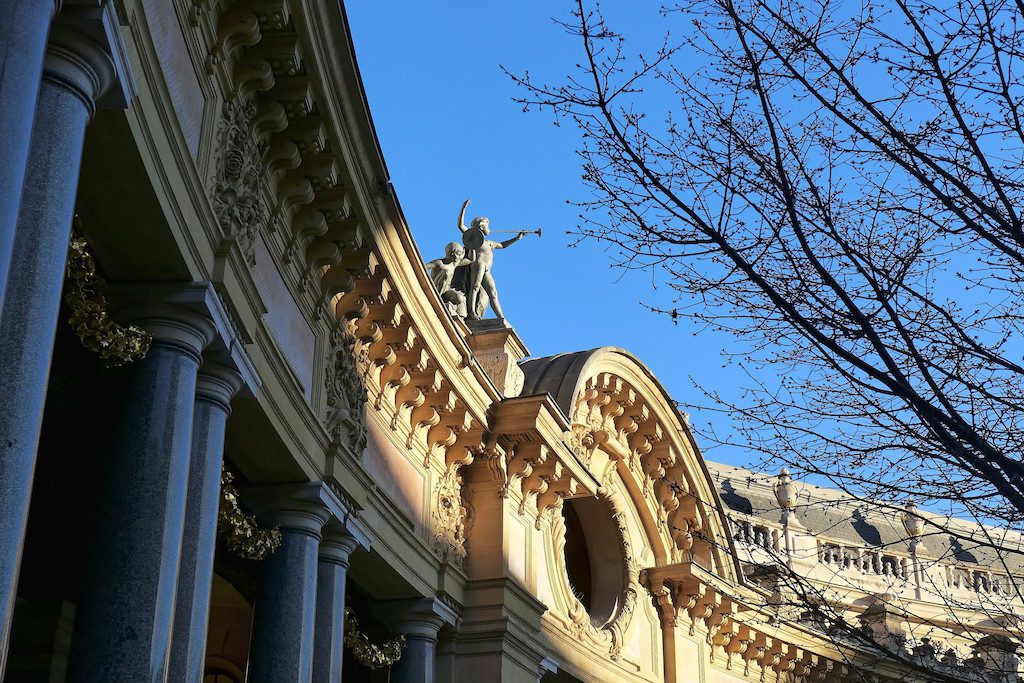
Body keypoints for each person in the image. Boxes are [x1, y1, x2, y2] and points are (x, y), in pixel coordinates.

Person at [456, 199, 527, 320]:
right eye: (487, 225)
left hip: (486, 269)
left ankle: (501, 318)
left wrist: (517, 238)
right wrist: (463, 209)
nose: (489, 228)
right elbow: (460, 226)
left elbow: (502, 245)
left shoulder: (489, 243)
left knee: (493, 293)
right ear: (481, 226)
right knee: (475, 286)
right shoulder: (474, 238)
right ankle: (471, 313)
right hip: (478, 263)